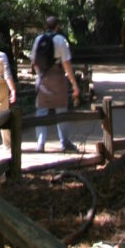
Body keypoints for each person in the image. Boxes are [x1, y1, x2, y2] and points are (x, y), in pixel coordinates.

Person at [30, 15, 80, 153]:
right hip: (58, 78)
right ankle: (64, 142)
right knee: (61, 110)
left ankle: (40, 143)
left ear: (45, 26)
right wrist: (74, 84)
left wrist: (40, 74)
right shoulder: (60, 40)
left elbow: (33, 61)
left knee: (41, 111)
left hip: (43, 78)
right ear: (57, 26)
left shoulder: (38, 39)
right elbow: (66, 65)